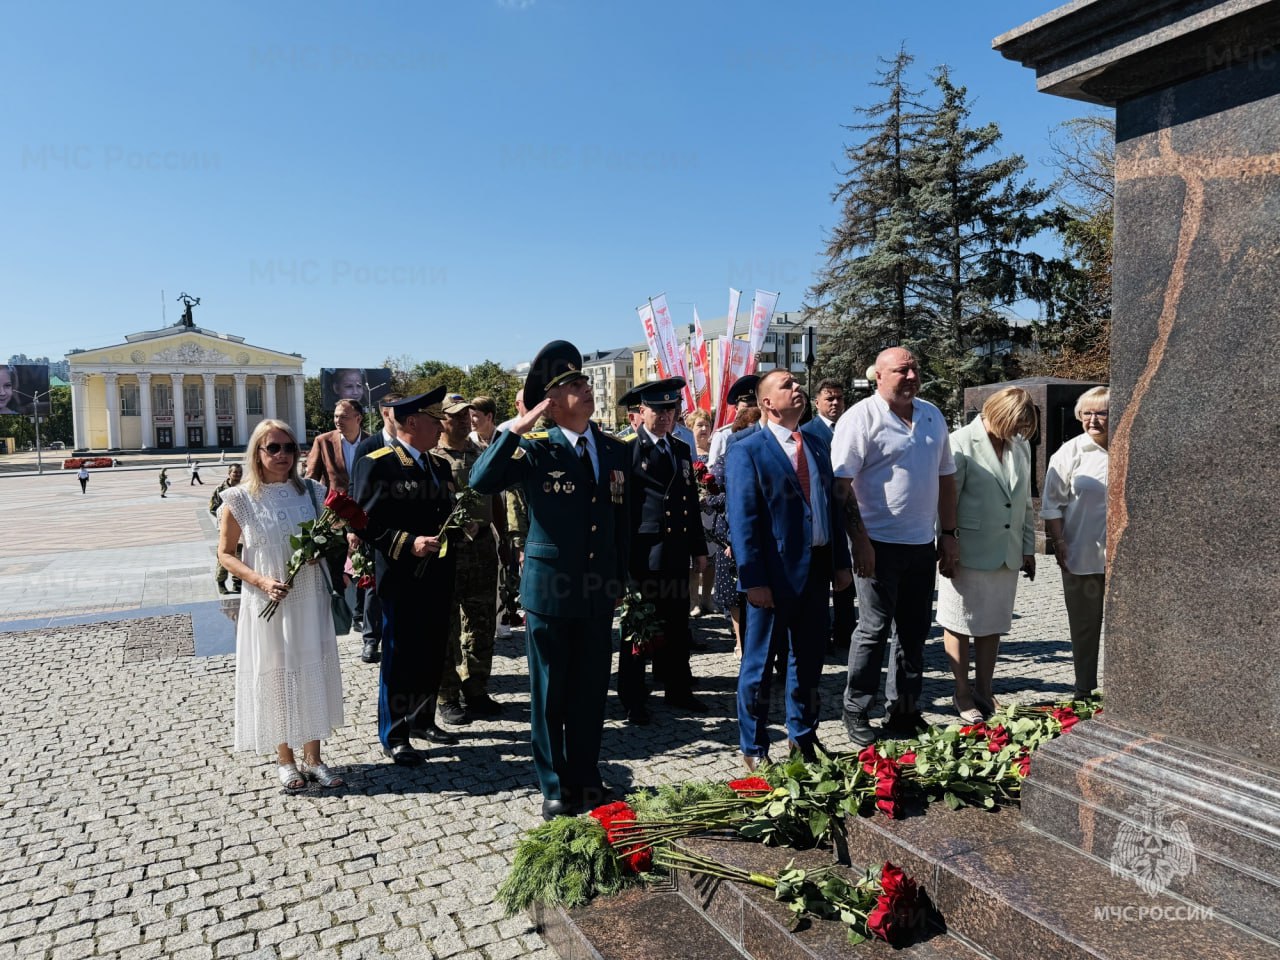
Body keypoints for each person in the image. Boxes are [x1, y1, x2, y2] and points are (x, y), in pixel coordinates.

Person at [470, 340, 630, 820]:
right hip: (550, 589)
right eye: (574, 384)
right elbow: (481, 480)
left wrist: (620, 578)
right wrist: (515, 430)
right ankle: (555, 786)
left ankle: (586, 777)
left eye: (584, 381)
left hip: (598, 590)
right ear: (552, 402)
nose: (587, 388)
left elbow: (620, 521)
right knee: (549, 694)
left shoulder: (613, 449)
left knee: (590, 690)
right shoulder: (535, 448)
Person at [832, 347, 958, 746]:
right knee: (873, 629)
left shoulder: (932, 415)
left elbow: (946, 478)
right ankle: (856, 709)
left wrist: (949, 534)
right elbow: (841, 486)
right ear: (879, 376)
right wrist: (860, 542)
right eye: (902, 370)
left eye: (915, 368)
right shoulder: (860, 418)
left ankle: (903, 710)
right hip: (877, 545)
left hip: (920, 543)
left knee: (914, 631)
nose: (912, 376)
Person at [727, 369, 852, 768]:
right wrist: (753, 579)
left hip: (816, 568)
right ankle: (754, 747)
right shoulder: (747, 449)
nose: (797, 388)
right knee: (760, 665)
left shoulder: (816, 444)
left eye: (798, 383)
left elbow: (831, 507)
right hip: (772, 575)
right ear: (767, 403)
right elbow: (743, 520)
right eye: (787, 385)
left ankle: (803, 738)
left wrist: (840, 562)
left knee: (808, 661)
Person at [217, 420, 346, 790]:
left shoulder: (313, 492)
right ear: (257, 452)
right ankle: (285, 759)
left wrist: (322, 548)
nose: (282, 455)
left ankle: (314, 758)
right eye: (273, 448)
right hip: (267, 600)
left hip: (308, 597)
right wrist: (260, 581)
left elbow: (329, 536)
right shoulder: (239, 498)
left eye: (289, 447)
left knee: (310, 669)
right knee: (275, 673)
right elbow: (226, 554)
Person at [351, 388, 459, 766]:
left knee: (432, 649)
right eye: (435, 421)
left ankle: (422, 719)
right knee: (400, 656)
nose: (441, 427)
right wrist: (408, 542)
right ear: (412, 422)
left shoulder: (438, 465)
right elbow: (363, 521)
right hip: (401, 575)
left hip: (438, 574)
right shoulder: (378, 463)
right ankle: (395, 734)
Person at [937, 388, 1038, 722]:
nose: (1018, 432)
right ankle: (962, 692)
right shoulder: (960, 442)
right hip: (966, 550)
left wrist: (1027, 548)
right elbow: (947, 500)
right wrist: (946, 543)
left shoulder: (1019, 444)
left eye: (1023, 426)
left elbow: (1023, 501)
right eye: (1014, 424)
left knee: (992, 622)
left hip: (1005, 551)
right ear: (997, 414)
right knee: (960, 622)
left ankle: (984, 690)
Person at [618, 378, 709, 725]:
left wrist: (699, 549)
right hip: (643, 555)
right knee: (639, 627)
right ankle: (633, 695)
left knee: (676, 624)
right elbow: (621, 510)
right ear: (641, 412)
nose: (666, 416)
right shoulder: (628, 450)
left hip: (675, 551)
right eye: (658, 409)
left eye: (671, 409)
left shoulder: (681, 449)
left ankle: (678, 688)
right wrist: (622, 559)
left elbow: (689, 503)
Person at [433, 394, 507, 725]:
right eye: (455, 416)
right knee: (447, 624)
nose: (464, 420)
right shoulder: (432, 459)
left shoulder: (482, 454)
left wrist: (504, 541)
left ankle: (476, 687)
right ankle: (447, 695)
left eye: (467, 415)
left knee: (482, 621)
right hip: (448, 549)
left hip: (482, 548)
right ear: (441, 421)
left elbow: (496, 500)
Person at [1041, 386, 1110, 701]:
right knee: (1084, 624)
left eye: (1101, 413)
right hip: (1082, 553)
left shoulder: (1128, 446)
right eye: (1087, 413)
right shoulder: (1070, 452)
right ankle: (1084, 688)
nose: (1093, 420)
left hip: (1127, 559)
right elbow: (1051, 505)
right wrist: (1059, 543)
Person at [802, 379, 856, 653]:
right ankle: (821, 634)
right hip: (824, 513)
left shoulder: (852, 427)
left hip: (851, 511)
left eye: (839, 398)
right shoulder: (807, 433)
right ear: (817, 402)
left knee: (846, 574)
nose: (835, 403)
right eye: (829, 398)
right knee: (823, 580)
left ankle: (845, 632)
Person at [351, 393, 403, 664]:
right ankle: (371, 640)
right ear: (385, 413)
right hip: (375, 528)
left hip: (404, 529)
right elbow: (356, 487)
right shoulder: (369, 445)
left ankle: (399, 635)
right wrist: (354, 527)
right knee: (373, 584)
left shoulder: (409, 443)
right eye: (398, 411)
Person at [686, 409, 716, 616]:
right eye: (699, 425)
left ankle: (707, 598)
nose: (704, 428)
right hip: (694, 511)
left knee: (712, 557)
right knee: (695, 559)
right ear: (690, 428)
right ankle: (693, 601)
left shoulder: (715, 449)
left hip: (712, 511)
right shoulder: (688, 450)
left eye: (707, 425)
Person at [707, 375, 759, 471]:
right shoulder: (724, 435)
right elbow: (712, 469)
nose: (752, 410)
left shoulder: (765, 432)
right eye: (747, 406)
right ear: (736, 408)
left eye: (755, 405)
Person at [210, 464, 245, 594]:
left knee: (240, 556)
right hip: (226, 528)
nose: (238, 475)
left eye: (240, 472)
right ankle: (221, 582)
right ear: (229, 473)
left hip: (242, 528)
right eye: (235, 472)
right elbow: (212, 508)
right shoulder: (220, 489)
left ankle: (237, 582)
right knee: (224, 554)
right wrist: (226, 520)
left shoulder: (244, 488)